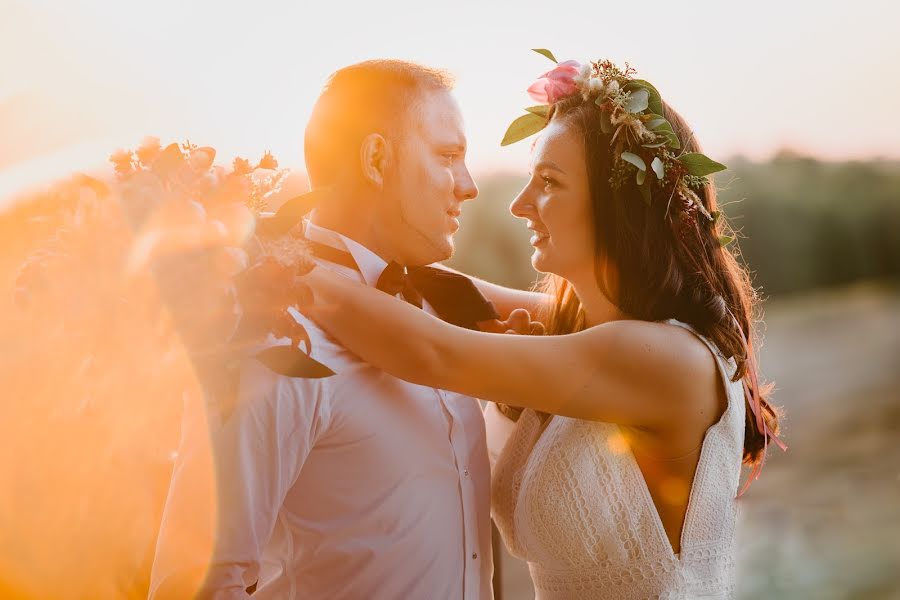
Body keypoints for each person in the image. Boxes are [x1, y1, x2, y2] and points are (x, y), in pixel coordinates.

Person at [295, 56, 784, 599]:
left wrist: (275, 263)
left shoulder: (669, 358)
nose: (519, 204)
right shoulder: (587, 329)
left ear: (617, 205)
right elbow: (442, 289)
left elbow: (433, 353)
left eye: (549, 183)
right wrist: (332, 239)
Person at [149, 59, 532, 599]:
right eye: (448, 156)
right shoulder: (274, 340)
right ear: (377, 158)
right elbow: (198, 585)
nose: (468, 187)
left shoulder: (447, 305)